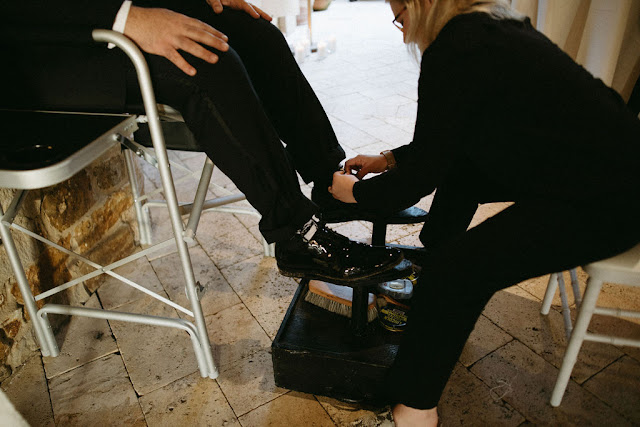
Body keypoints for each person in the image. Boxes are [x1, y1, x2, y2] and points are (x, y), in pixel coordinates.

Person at [329, 0, 640, 425]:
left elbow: (417, 181)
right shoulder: (492, 27)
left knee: (459, 273)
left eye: (399, 16)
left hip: (612, 200)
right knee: (464, 176)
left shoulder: (456, 49)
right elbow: (451, 141)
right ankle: (432, 266)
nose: (402, 32)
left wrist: (353, 195)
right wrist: (388, 159)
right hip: (591, 168)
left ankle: (415, 410)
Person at [1, 0, 408, 284]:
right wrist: (125, 16)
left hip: (113, 13)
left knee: (256, 33)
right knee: (207, 60)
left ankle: (329, 182)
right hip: (47, 47)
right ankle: (297, 234)